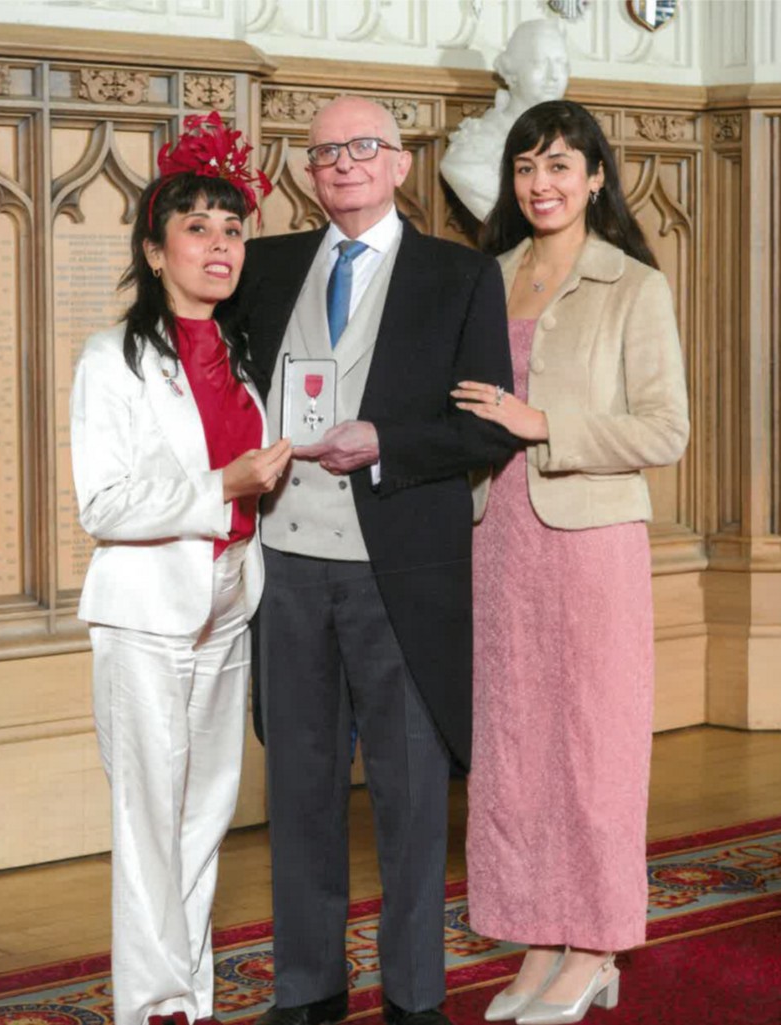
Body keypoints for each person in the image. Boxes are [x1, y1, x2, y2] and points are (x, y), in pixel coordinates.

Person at [235, 95, 518, 1025]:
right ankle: (307, 988)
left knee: (406, 789)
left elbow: (485, 428)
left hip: (399, 568)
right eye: (324, 154)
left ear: (401, 163)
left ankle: (413, 996)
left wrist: (386, 440)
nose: (344, 164)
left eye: (364, 148)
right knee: (301, 786)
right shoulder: (265, 267)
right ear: (308, 175)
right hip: (286, 564)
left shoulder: (460, 276)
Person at [452, 99, 689, 1024]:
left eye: (560, 166)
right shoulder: (489, 276)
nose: (541, 184)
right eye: (525, 168)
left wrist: (544, 424)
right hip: (498, 531)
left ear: (596, 177)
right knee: (513, 747)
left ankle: (594, 946)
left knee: (593, 746)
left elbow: (665, 429)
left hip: (591, 542)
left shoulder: (633, 285)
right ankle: (537, 937)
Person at [70, 113, 292, 1025]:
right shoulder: (111, 360)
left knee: (206, 818)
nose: (219, 244)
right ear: (156, 250)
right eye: (196, 227)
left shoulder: (247, 357)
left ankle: (188, 1000)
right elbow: (105, 505)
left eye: (232, 228)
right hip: (146, 619)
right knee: (149, 825)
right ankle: (151, 1004)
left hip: (229, 606)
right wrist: (222, 485)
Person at [440, 19, 570, 221]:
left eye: (561, 64)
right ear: (512, 72)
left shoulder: (577, 138)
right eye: (540, 63)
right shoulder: (472, 149)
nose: (553, 76)